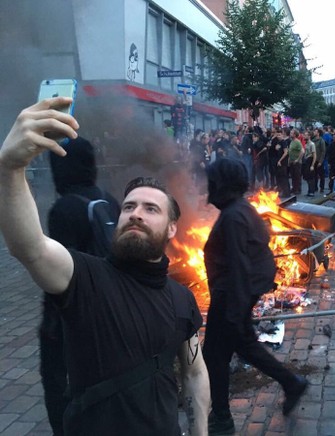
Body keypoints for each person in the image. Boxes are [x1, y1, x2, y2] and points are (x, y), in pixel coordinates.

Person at [0, 97, 210, 436]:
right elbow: (30, 246)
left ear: (172, 229)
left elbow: (195, 371)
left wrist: (200, 431)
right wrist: (10, 169)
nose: (136, 212)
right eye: (129, 206)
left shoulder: (181, 299)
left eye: (151, 209)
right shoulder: (86, 278)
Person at [202, 158, 308, 434]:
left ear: (221, 183)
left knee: (215, 356)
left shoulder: (235, 215)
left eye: (212, 181)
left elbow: (240, 264)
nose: (208, 186)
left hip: (230, 297)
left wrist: (236, 312)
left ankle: (223, 419)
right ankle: (291, 383)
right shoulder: (240, 209)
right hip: (233, 296)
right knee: (233, 350)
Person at [40, 137, 121, 436]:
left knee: (59, 391)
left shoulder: (63, 209)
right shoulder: (108, 199)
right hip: (106, 310)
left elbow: (56, 272)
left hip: (67, 321)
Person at [288, 129, 304, 195]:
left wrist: (298, 159)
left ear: (295, 134)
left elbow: (302, 151)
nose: (290, 134)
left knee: (297, 176)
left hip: (297, 162)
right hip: (292, 162)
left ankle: (298, 189)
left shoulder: (297, 142)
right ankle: (294, 188)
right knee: (293, 176)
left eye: (291, 133)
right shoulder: (292, 141)